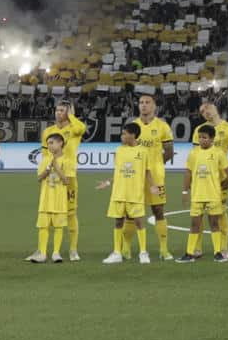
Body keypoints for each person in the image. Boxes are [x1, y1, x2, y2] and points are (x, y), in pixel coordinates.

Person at [98, 123, 153, 265]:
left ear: (133, 135)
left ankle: (143, 252)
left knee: (139, 222)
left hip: (135, 194)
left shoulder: (144, 151)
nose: (122, 136)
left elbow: (147, 172)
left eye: (124, 133)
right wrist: (108, 183)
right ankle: (117, 252)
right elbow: (118, 173)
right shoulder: (119, 151)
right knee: (118, 222)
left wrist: (153, 186)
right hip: (119, 193)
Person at [40, 100, 87, 261]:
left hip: (69, 174)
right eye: (57, 110)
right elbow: (44, 154)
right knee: (49, 212)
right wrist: (47, 167)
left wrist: (71, 116)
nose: (58, 113)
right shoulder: (48, 131)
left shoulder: (74, 128)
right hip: (52, 177)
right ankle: (47, 250)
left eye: (62, 110)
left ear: (68, 113)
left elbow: (82, 128)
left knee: (71, 213)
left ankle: (73, 250)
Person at [129, 94, 174, 260]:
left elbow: (169, 151)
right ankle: (126, 249)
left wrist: (156, 164)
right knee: (131, 212)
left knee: (158, 211)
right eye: (141, 102)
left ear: (154, 106)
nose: (144, 105)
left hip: (155, 176)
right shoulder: (133, 125)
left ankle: (164, 250)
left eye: (147, 102)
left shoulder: (162, 126)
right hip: (135, 176)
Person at [180, 124, 228, 263]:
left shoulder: (218, 153)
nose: (201, 140)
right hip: (197, 195)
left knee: (214, 224)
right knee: (194, 224)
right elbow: (188, 173)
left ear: (212, 139)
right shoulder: (193, 153)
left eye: (204, 137)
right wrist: (185, 191)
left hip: (214, 195)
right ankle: (189, 253)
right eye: (199, 137)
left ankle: (218, 253)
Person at [196, 99, 228, 256]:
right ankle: (197, 247)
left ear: (215, 108)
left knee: (220, 213)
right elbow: (196, 156)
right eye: (202, 111)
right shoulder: (200, 130)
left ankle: (223, 247)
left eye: (208, 107)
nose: (206, 111)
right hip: (202, 179)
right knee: (198, 213)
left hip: (220, 179)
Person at [29, 132, 73, 264]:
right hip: (45, 199)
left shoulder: (68, 161)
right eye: (47, 143)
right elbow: (39, 178)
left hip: (59, 200)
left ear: (60, 143)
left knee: (59, 227)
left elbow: (67, 181)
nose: (49, 146)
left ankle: (56, 253)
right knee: (43, 226)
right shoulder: (44, 160)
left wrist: (56, 167)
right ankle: (42, 253)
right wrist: (48, 169)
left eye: (52, 143)